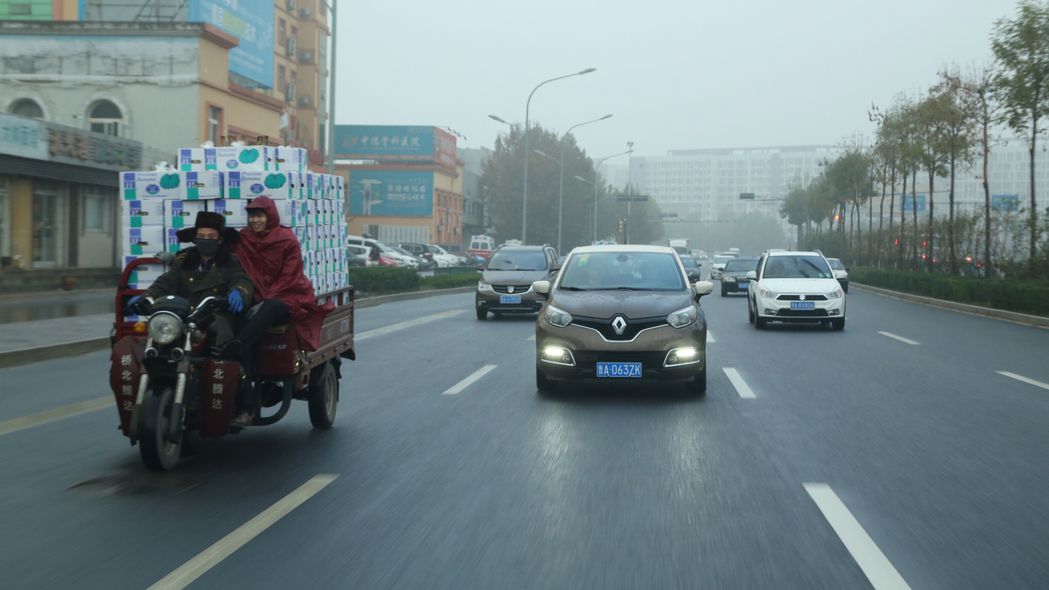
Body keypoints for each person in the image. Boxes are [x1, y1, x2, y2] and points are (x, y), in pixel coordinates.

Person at [229, 196, 333, 426]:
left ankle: (237, 346)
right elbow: (224, 256)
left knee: (270, 308)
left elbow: (289, 277)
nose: (255, 220)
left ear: (270, 216)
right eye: (252, 216)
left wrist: (266, 298)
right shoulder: (243, 238)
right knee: (233, 319)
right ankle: (242, 393)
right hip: (256, 298)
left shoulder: (286, 239)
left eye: (259, 215)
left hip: (288, 297)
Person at [126, 211, 252, 354]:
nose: (206, 240)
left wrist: (239, 291)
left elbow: (241, 279)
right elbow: (165, 282)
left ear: (220, 240)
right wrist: (147, 297)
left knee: (217, 333)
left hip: (213, 316)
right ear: (195, 238)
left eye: (211, 237)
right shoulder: (184, 260)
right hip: (183, 316)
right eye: (201, 236)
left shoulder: (230, 261)